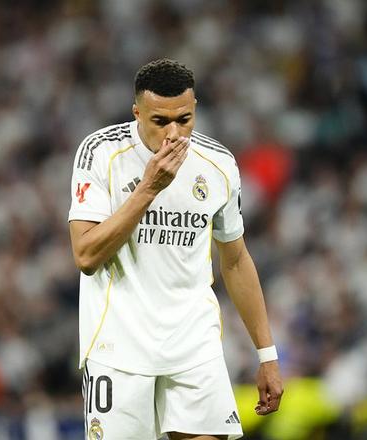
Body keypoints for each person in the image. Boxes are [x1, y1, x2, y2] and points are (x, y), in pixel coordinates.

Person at [68, 58, 283, 440]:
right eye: (160, 121)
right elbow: (86, 256)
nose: (173, 133)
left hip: (194, 346)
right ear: (137, 113)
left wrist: (266, 355)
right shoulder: (101, 153)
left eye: (184, 120)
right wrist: (149, 188)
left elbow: (235, 261)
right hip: (119, 348)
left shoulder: (218, 164)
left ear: (195, 108)